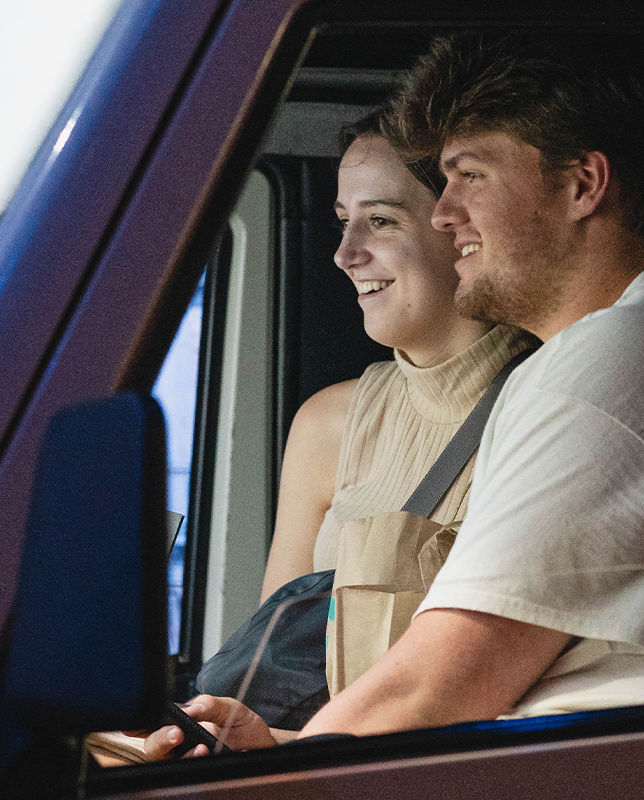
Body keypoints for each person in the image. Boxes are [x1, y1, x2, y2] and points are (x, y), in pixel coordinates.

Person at [146, 32, 644, 754]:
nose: (445, 215)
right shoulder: (627, 345)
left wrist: (249, 779)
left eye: (470, 176)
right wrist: (275, 744)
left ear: (582, 184)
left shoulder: (628, 354)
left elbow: (436, 691)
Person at [131, 110, 538, 760]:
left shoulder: (553, 407)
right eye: (341, 221)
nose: (345, 254)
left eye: (380, 220)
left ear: (462, 230)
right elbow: (279, 672)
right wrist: (255, 744)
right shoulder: (327, 422)